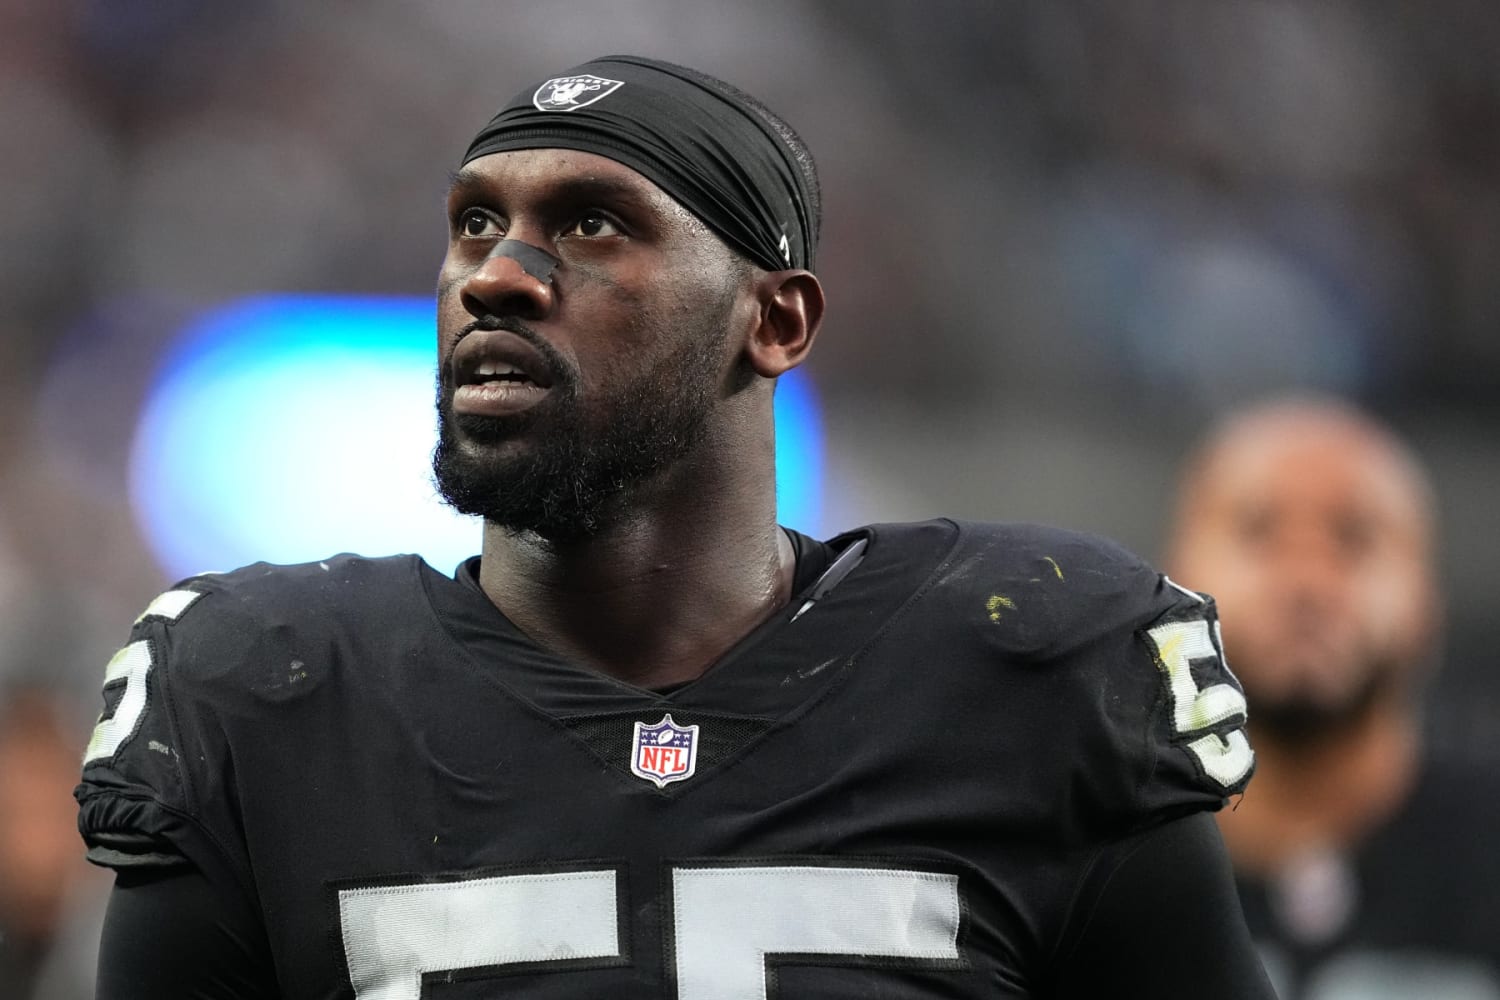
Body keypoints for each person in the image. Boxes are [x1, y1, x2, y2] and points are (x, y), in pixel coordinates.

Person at [76, 55, 1274, 998]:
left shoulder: (1033, 681)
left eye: (593, 223)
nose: (497, 273)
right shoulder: (268, 700)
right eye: (475, 223)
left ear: (778, 321)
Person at [1164, 397, 1500, 999]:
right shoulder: (1090, 860)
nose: (1306, 581)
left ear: (1427, 599)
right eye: (1258, 532)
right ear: (1174, 582)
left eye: (1354, 537)